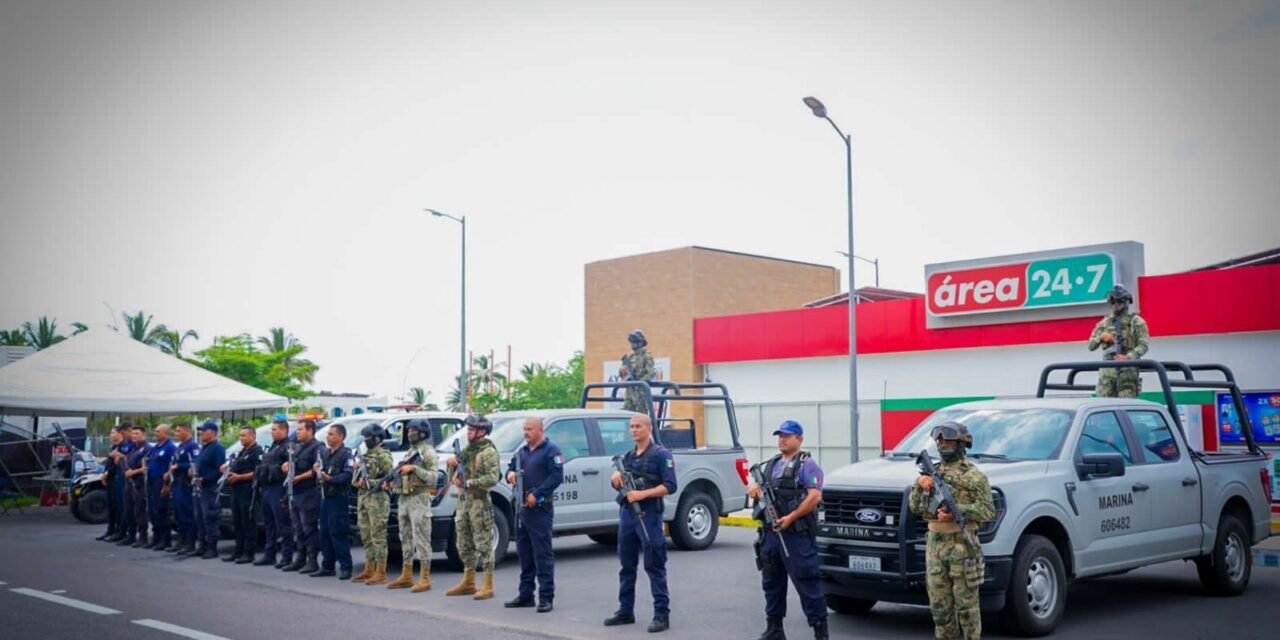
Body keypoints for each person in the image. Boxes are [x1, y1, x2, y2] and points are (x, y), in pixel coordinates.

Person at [909, 422, 995, 640]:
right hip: (936, 546)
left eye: (948, 441)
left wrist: (960, 511)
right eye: (940, 441)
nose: (943, 445)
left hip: (963, 546)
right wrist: (920, 484)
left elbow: (988, 511)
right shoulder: (932, 472)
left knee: (967, 608)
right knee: (940, 609)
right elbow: (916, 507)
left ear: (961, 443)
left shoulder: (974, 476)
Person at [747, 421, 828, 640]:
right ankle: (774, 629)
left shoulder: (807, 465)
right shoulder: (770, 464)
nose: (782, 439)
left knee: (807, 583)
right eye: (780, 435)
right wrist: (754, 489)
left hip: (796, 535)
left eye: (788, 436)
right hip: (771, 534)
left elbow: (815, 496)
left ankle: (820, 632)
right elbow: (759, 490)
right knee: (771, 583)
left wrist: (790, 517)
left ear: (799, 439)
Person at [605, 413, 677, 633]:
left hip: (649, 515)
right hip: (627, 515)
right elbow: (620, 481)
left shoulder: (661, 454)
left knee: (654, 565)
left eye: (638, 426)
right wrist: (615, 478)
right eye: (631, 427)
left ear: (648, 429)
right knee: (626, 565)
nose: (634, 430)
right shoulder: (627, 456)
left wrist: (643, 494)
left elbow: (670, 486)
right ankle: (625, 611)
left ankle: (661, 615)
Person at [503, 417, 564, 613]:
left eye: (529, 429)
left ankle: (546, 597)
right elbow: (509, 469)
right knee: (524, 553)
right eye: (524, 429)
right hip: (521, 509)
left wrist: (537, 494)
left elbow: (556, 477)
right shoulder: (521, 452)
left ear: (540, 430)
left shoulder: (551, 450)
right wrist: (510, 474)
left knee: (542, 554)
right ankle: (526, 594)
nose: (526, 432)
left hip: (539, 509)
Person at [445, 413, 501, 600]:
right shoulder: (467, 451)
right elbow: (454, 478)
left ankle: (488, 584)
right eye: (468, 429)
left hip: (479, 502)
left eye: (471, 429)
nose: (468, 432)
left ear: (481, 432)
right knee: (463, 543)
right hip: (464, 503)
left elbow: (493, 478)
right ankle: (469, 582)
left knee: (483, 544)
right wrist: (451, 465)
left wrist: (469, 482)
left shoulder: (488, 452)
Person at [1087, 284, 1150, 398]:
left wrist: (1128, 357)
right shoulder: (1104, 323)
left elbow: (1143, 345)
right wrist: (1101, 337)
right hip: (1107, 373)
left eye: (1119, 302)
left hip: (1127, 372)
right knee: (1104, 407)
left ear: (1126, 302)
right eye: (1113, 302)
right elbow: (1090, 346)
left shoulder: (1136, 322)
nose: (1116, 305)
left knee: (1127, 406)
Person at [311, 423, 355, 579]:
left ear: (340, 436)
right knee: (324, 532)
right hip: (326, 497)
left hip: (338, 497)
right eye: (327, 434)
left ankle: (345, 567)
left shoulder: (346, 454)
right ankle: (327, 565)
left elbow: (348, 474)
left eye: (331, 434)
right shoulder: (325, 453)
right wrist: (316, 470)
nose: (328, 437)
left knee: (338, 532)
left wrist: (331, 479)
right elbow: (317, 469)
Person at [351, 424, 392, 585]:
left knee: (378, 536)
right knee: (366, 536)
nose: (366, 440)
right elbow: (355, 481)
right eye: (365, 437)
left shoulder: (383, 456)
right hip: (364, 500)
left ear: (377, 438)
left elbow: (390, 479)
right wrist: (357, 475)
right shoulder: (364, 456)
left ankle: (381, 572)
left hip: (378, 501)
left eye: (369, 437)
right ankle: (369, 568)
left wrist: (370, 483)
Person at [282, 419, 323, 574]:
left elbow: (316, 470)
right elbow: (291, 463)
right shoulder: (297, 447)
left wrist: (299, 477)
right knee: (298, 528)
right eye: (297, 429)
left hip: (309, 493)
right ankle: (300, 558)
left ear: (310, 430)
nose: (297, 432)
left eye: (301, 429)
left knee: (309, 528)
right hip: (295, 493)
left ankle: (312, 561)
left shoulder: (317, 448)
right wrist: (285, 465)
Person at [254, 416, 294, 568]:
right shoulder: (273, 446)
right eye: (271, 429)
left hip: (279, 488)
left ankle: (286, 556)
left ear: (284, 430)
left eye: (275, 430)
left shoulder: (288, 446)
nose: (272, 432)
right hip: (267, 488)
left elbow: (290, 466)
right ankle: (269, 554)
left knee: (283, 524)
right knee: (269, 524)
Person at [223, 426, 263, 564]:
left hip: (248, 490)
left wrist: (240, 477)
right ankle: (238, 551)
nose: (241, 438)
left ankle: (249, 553)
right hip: (236, 491)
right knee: (237, 523)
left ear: (252, 436)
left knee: (248, 522)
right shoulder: (241, 452)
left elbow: (258, 472)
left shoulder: (257, 452)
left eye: (244, 435)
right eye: (240, 435)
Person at [193, 421, 226, 560]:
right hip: (200, 487)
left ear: (212, 432)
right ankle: (202, 544)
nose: (201, 433)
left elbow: (220, 469)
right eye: (200, 431)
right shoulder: (204, 448)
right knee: (199, 516)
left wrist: (205, 478)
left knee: (209, 516)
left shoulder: (217, 448)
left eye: (204, 431)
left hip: (210, 488)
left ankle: (212, 547)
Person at [144, 424, 176, 550]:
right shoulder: (155, 447)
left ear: (165, 433)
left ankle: (165, 539)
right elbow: (146, 458)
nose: (156, 433)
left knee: (161, 510)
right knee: (152, 511)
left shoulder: (170, 447)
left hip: (161, 482)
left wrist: (167, 484)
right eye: (155, 431)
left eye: (158, 431)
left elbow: (171, 465)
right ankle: (156, 537)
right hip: (151, 481)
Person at [120, 425, 151, 547]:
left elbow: (145, 468)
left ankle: (143, 537)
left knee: (140, 510)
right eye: (132, 434)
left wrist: (133, 472)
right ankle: (131, 535)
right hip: (129, 483)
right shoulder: (132, 448)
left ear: (144, 435)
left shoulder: (146, 448)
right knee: (129, 510)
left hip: (139, 483)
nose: (134, 436)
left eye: (137, 433)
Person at [97, 425, 130, 542]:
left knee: (120, 505)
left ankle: (120, 531)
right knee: (111, 506)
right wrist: (104, 473)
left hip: (118, 479)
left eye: (113, 432)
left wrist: (107, 473)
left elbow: (117, 464)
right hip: (111, 479)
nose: (111, 435)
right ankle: (110, 529)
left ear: (120, 433)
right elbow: (109, 463)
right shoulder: (113, 447)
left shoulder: (124, 447)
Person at [170, 422, 199, 555]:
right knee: (178, 513)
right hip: (176, 483)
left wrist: (179, 466)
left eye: (178, 431)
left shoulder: (192, 445)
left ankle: (189, 543)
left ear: (187, 431)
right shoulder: (180, 446)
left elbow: (194, 463)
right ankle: (181, 541)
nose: (176, 434)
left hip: (185, 484)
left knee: (187, 513)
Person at [620, 330, 656, 413]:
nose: (633, 344)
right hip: (630, 390)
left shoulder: (646, 356)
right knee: (627, 413)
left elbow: (651, 373)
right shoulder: (631, 356)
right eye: (632, 342)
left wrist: (640, 382)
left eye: (635, 342)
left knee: (641, 414)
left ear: (641, 343)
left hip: (640, 391)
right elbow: (623, 374)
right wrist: (623, 372)